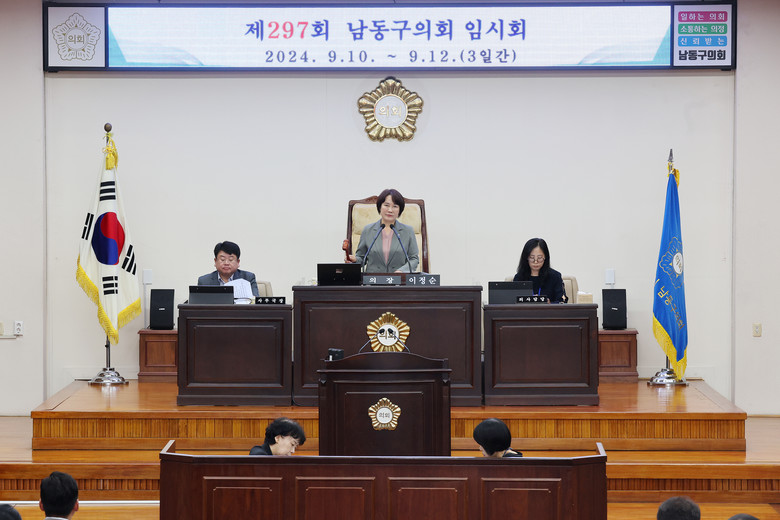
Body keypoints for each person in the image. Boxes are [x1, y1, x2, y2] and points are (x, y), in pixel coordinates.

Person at [348, 189, 420, 273]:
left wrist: (401, 271)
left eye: (395, 206)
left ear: (400, 210)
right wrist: (354, 260)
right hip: (373, 280)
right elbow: (361, 258)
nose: (390, 210)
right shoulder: (368, 230)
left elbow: (414, 259)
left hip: (399, 280)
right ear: (380, 207)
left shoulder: (408, 231)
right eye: (386, 205)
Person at [513, 237, 567, 303]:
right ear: (526, 258)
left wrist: (550, 304)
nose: (536, 262)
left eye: (539, 258)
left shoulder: (555, 277)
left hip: (548, 310)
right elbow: (514, 302)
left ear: (545, 257)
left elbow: (562, 301)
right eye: (532, 258)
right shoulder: (519, 278)